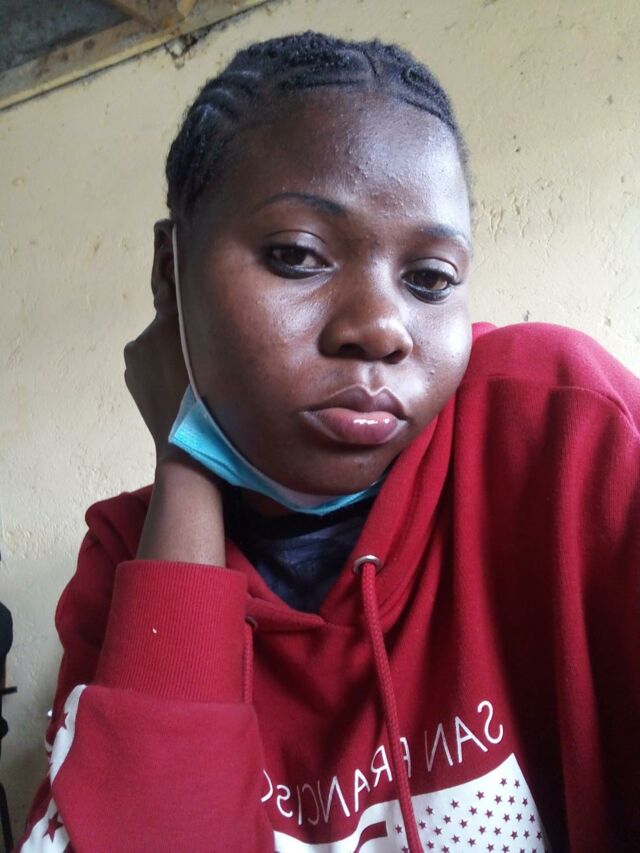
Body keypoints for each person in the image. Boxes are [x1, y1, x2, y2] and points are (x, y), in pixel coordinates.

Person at [19, 31, 639, 852]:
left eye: (430, 279)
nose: (381, 327)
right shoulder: (127, 559)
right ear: (171, 271)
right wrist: (184, 462)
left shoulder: (555, 429)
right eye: (297, 256)